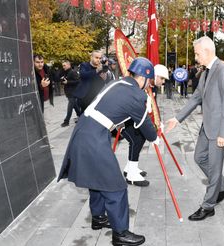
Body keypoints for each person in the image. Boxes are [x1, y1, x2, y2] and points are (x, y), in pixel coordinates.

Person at [58, 57, 158, 246]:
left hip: (86, 130)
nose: (149, 85)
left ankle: (98, 218)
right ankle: (120, 234)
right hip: (94, 137)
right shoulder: (136, 94)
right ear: (144, 77)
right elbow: (145, 125)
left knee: (97, 178)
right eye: (150, 80)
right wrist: (155, 138)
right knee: (116, 186)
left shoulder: (119, 82)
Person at [165, 36, 224, 221]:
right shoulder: (206, 72)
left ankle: (208, 206)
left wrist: (223, 133)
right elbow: (196, 98)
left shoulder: (223, 70)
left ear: (206, 51)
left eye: (197, 53)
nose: (196, 58)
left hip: (219, 129)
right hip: (208, 126)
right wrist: (177, 118)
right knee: (199, 157)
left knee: (214, 166)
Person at [122, 64, 170, 187]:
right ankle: (131, 175)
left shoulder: (151, 87)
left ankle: (130, 167)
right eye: (162, 78)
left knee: (140, 139)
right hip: (124, 119)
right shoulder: (143, 86)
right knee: (136, 140)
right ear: (155, 76)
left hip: (135, 119)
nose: (163, 82)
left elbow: (152, 107)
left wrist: (158, 122)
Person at [61, 60, 81, 127]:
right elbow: (65, 82)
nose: (63, 67)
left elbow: (78, 81)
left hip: (73, 93)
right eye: (62, 65)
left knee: (70, 107)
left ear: (68, 65)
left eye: (64, 65)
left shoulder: (73, 72)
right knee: (75, 106)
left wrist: (68, 82)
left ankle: (66, 121)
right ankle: (81, 117)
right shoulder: (66, 72)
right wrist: (63, 81)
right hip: (69, 93)